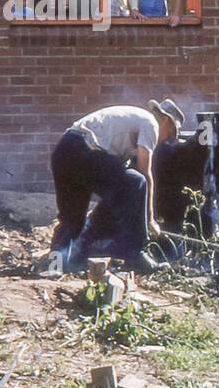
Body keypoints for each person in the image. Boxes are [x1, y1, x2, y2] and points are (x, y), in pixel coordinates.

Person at [48, 99, 186, 272]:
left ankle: (56, 264)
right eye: (170, 135)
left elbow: (116, 183)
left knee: (72, 219)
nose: (166, 141)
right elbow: (144, 172)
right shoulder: (151, 123)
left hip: (64, 151)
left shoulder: (127, 127)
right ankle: (135, 255)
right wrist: (150, 219)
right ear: (165, 120)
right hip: (85, 151)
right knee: (136, 181)